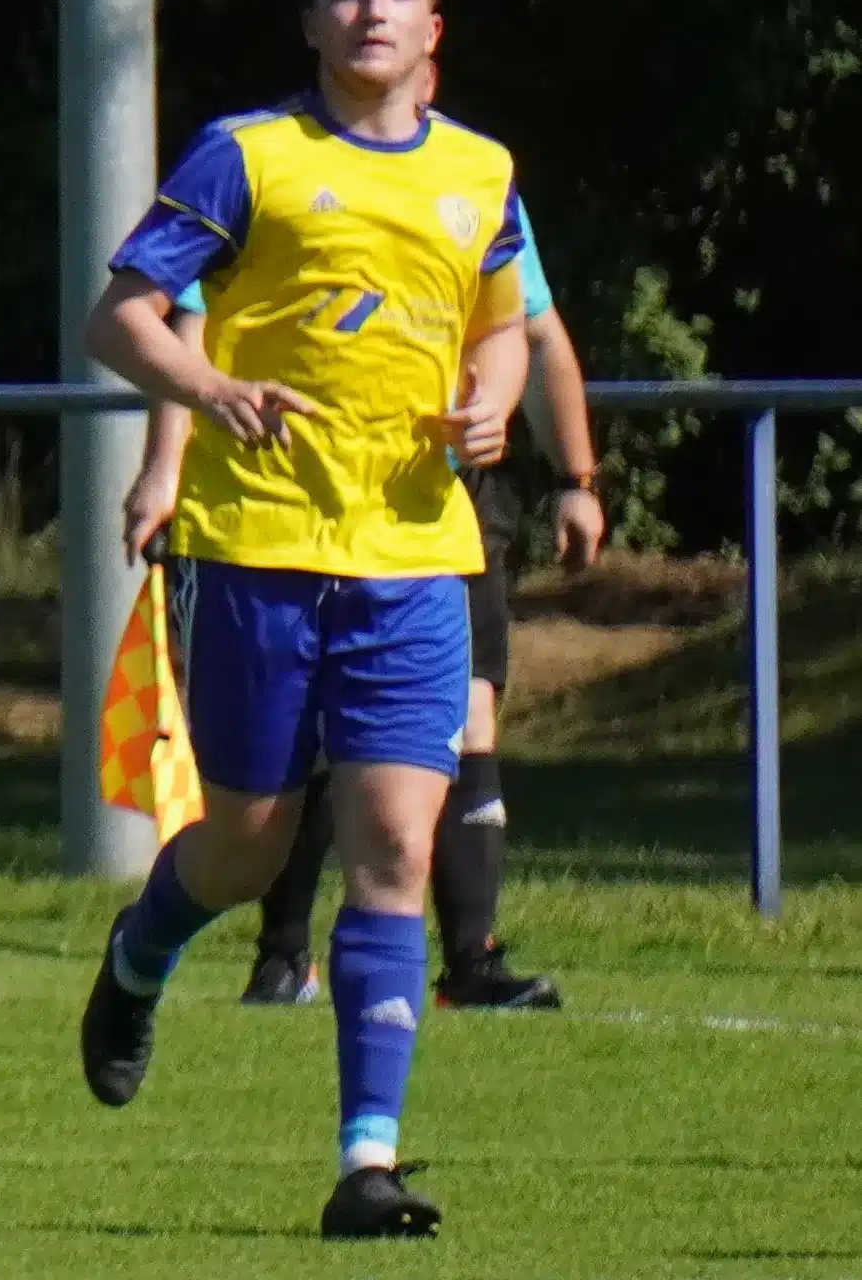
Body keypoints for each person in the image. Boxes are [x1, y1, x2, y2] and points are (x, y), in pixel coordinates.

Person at [75, 0, 531, 1240]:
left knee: (391, 840)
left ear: (431, 27)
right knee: (244, 842)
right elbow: (116, 317)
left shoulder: (481, 174)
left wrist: (492, 407)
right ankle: (138, 953)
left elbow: (500, 330)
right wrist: (206, 386)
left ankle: (365, 1163)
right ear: (311, 20)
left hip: (411, 560)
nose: (370, 10)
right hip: (262, 552)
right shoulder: (246, 158)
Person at [126, 233, 603, 1010]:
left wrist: (575, 476)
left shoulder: (476, 187)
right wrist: (165, 468)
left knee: (467, 717)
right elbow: (189, 326)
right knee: (288, 769)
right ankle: (278, 953)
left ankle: (467, 965)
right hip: (291, 509)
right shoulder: (273, 172)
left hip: (437, 507)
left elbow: (532, 331)